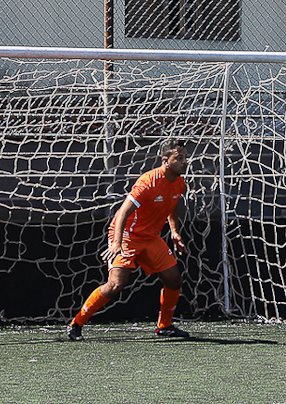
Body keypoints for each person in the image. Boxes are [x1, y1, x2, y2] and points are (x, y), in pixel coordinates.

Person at [67, 141, 192, 340]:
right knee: (116, 284)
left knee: (174, 280)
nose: (185, 162)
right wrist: (117, 243)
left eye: (186, 157)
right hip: (127, 236)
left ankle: (164, 326)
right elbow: (123, 212)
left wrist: (174, 231)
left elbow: (173, 203)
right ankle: (76, 324)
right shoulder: (148, 182)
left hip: (151, 238)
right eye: (179, 158)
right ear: (165, 161)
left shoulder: (179, 183)